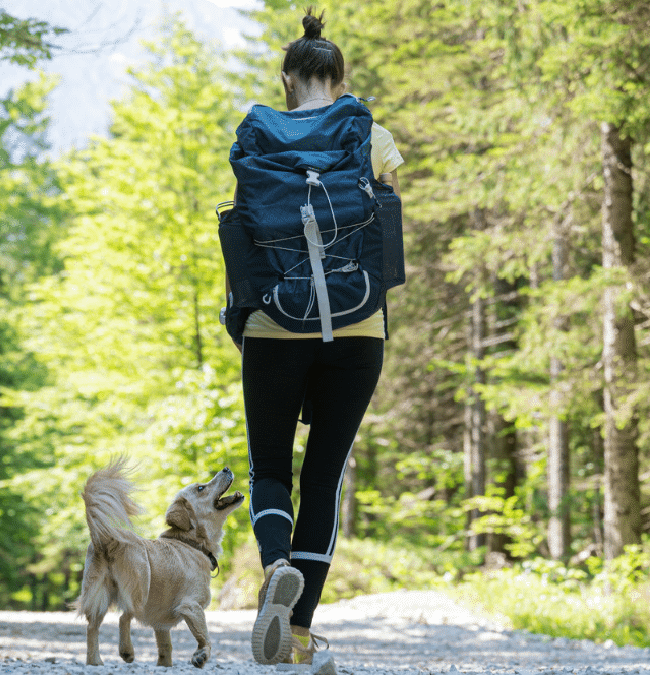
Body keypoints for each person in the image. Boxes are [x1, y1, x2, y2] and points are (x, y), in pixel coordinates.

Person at [226, 7, 404, 672]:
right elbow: (386, 230)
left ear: (287, 80)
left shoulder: (258, 136)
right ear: (340, 79)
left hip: (273, 321)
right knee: (324, 478)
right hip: (357, 324)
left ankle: (276, 565)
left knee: (271, 468)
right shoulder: (372, 135)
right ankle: (298, 634)